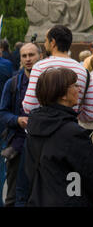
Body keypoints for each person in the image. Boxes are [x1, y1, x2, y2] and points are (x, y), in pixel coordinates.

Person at [25, 68, 93, 206]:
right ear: (62, 94)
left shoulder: (34, 125)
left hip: (40, 199)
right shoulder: (73, 133)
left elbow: (29, 171)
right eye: (75, 85)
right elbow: (90, 174)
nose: (79, 90)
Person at [23, 25, 93, 125]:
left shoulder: (39, 67)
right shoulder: (84, 71)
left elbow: (29, 106)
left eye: (46, 41)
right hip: (70, 129)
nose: (45, 45)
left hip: (43, 129)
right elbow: (90, 113)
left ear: (52, 42)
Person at [0, 43, 41, 206]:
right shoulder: (12, 83)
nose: (28, 59)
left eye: (32, 55)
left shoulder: (48, 82)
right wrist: (17, 120)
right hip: (18, 146)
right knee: (14, 197)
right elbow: (2, 112)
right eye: (24, 56)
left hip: (43, 147)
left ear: (40, 56)